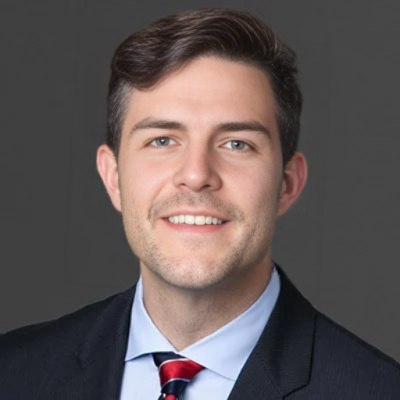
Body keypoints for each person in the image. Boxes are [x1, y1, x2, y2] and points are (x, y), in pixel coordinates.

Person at [1, 8, 399, 400]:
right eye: (162, 140)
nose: (196, 174)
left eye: (236, 144)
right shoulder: (14, 374)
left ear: (287, 183)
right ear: (113, 176)